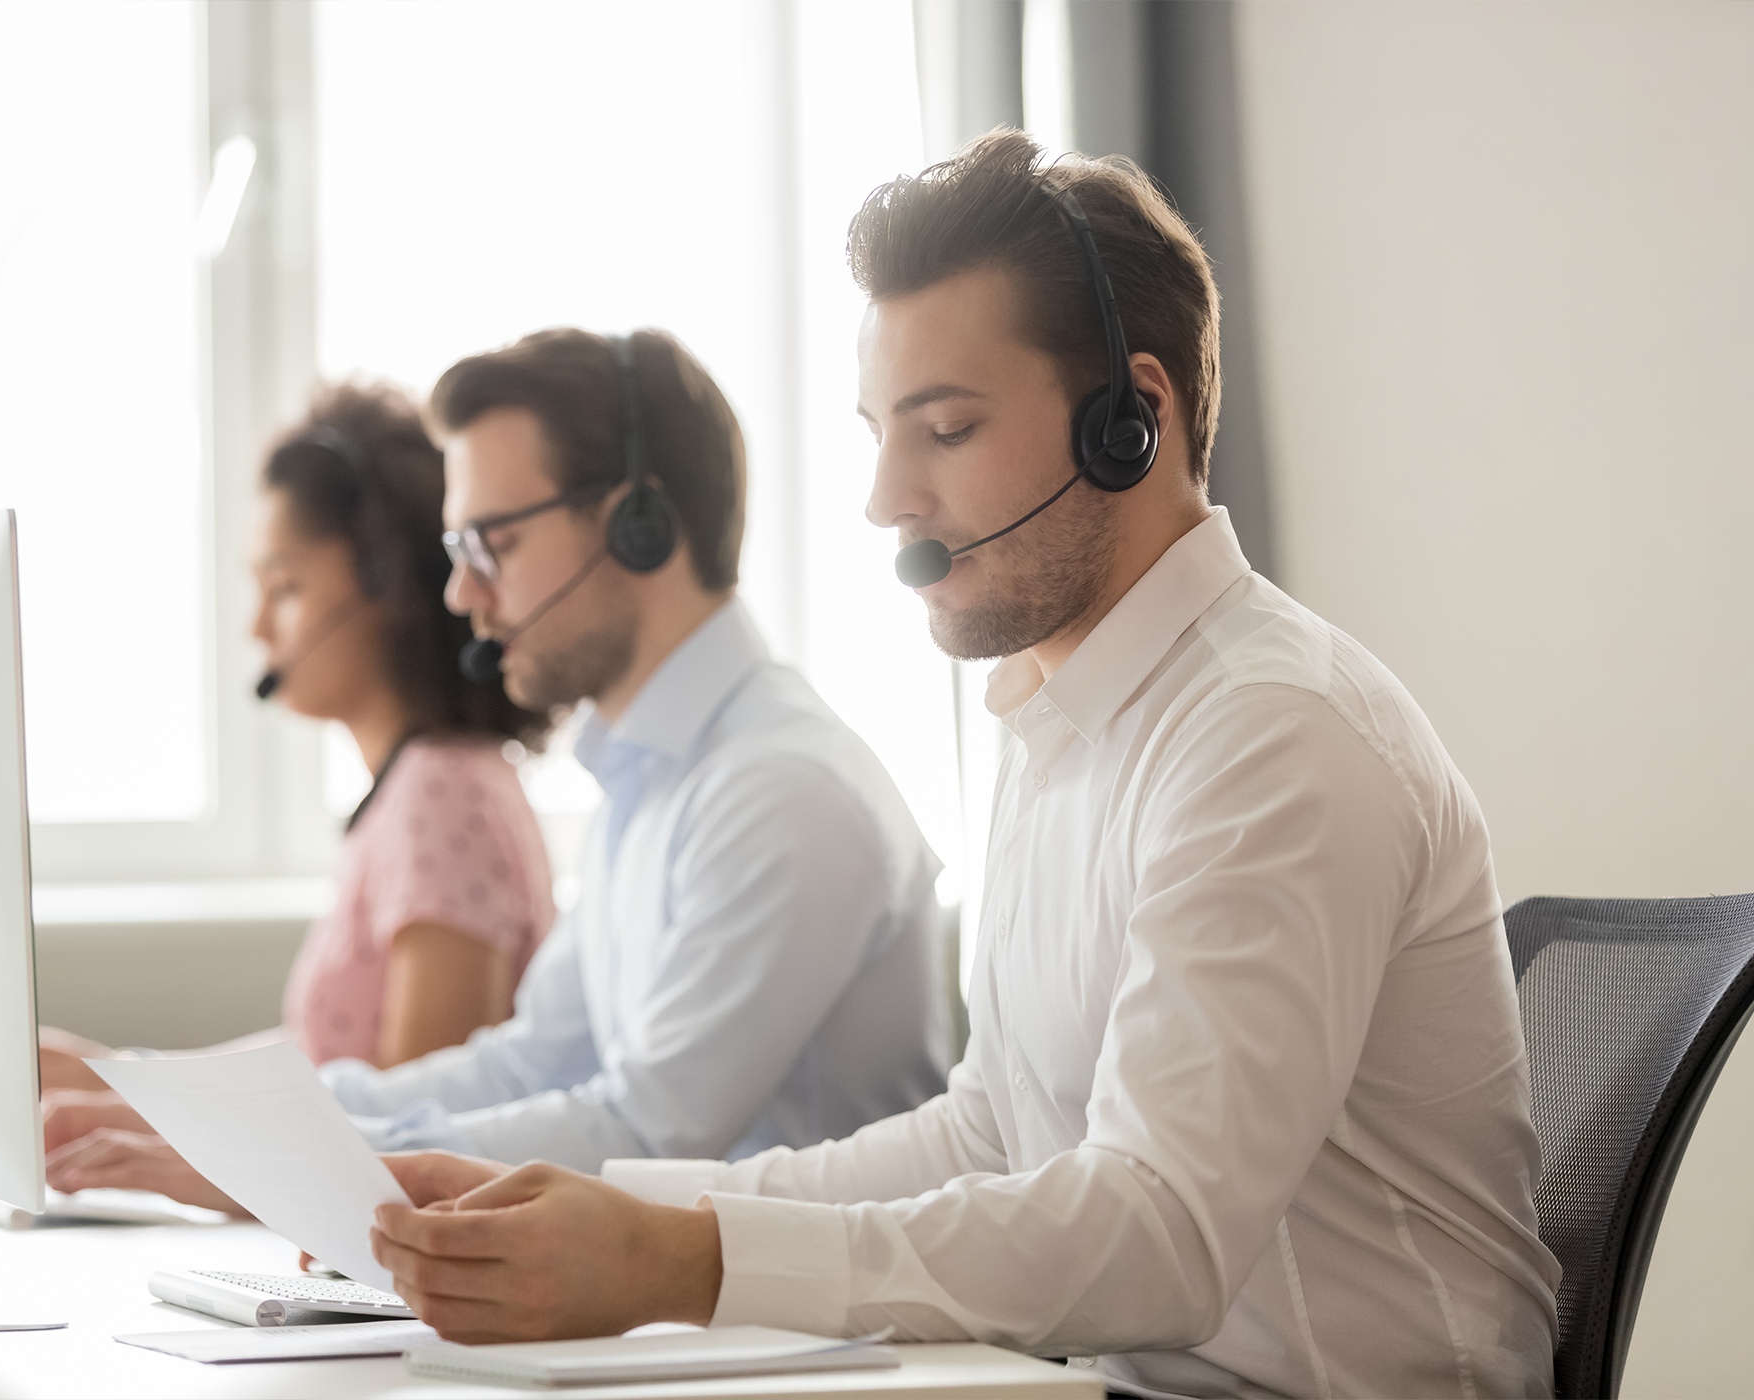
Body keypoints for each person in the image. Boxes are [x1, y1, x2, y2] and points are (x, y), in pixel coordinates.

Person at [364, 134, 1564, 1400]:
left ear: (1128, 423)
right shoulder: (1059, 724)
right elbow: (987, 1131)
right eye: (881, 432)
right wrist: (598, 1213)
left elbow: (1159, 1230)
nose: (886, 496)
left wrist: (681, 1258)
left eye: (943, 428)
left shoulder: (1268, 733)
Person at [47, 327, 949, 1206]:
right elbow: (528, 1061)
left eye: (495, 544)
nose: (460, 595)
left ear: (640, 524)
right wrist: (210, 1119)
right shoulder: (652, 784)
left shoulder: (782, 791)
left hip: (815, 1344)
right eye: (457, 551)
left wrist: (274, 1159)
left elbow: (646, 1133)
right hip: (718, 1327)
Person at [41, 384, 556, 1161]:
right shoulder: (419, 787)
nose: (256, 626)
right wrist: (118, 1082)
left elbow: (407, 1132)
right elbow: (328, 1065)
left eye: (285, 587)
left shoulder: (443, 795)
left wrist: (140, 1119)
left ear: (386, 586)